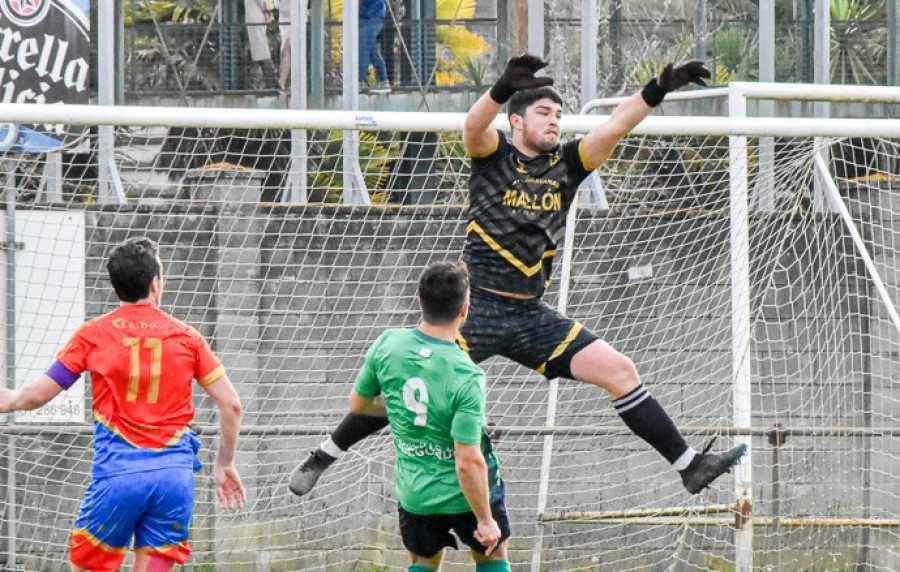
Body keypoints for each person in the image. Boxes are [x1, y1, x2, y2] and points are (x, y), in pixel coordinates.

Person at [290, 54, 746, 498]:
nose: (555, 121)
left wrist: (657, 90)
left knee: (620, 371)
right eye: (544, 112)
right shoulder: (493, 157)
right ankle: (323, 455)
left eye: (559, 114)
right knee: (415, 384)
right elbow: (471, 127)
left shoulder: (569, 164)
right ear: (517, 122)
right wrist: (501, 89)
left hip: (530, 316)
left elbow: (615, 126)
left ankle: (689, 466)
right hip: (476, 309)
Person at [0, 237, 245, 571]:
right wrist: (224, 464)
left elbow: (35, 396)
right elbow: (231, 405)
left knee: (86, 566)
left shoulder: (92, 335)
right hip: (174, 480)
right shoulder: (188, 337)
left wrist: (11, 400)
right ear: (156, 282)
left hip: (118, 479)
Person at [300, 261, 511, 571]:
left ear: (419, 301)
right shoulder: (468, 375)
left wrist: (398, 407)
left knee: (423, 563)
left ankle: (326, 452)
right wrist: (485, 519)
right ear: (465, 309)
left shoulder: (388, 344)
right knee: (492, 558)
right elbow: (467, 462)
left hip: (416, 495)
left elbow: (358, 405)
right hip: (465, 496)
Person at [245, 0, 282, 91]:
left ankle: (272, 83)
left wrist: (269, 8)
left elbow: (264, 2)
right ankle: (272, 83)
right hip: (256, 18)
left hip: (256, 19)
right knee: (261, 52)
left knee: (262, 53)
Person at [360, 0, 391, 93]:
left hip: (372, 17)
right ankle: (384, 81)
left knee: (363, 48)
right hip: (368, 17)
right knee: (371, 52)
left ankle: (359, 81)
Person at [377, 0, 405, 87]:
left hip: (388, 19)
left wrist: (396, 19)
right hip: (376, 18)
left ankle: (389, 80)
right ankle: (384, 79)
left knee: (388, 51)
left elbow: (399, 5)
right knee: (369, 50)